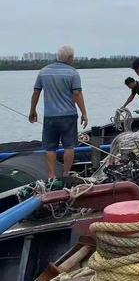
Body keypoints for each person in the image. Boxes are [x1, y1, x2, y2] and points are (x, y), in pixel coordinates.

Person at [28, 45, 88, 181]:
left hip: (50, 116)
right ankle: (66, 174)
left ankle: (51, 175)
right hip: (68, 115)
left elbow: (36, 92)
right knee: (69, 145)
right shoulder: (73, 73)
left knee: (50, 147)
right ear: (69, 58)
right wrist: (84, 113)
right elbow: (77, 93)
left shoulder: (43, 72)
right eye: (73, 57)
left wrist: (32, 111)